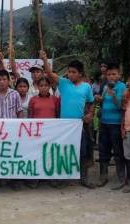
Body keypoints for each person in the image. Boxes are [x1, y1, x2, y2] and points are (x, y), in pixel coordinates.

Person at [43, 50, 95, 189]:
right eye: (69, 71)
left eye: (73, 72)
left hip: (79, 125)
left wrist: (90, 114)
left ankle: (83, 178)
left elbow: (91, 103)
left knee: (82, 151)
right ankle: (62, 178)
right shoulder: (64, 83)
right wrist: (44, 60)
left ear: (80, 74)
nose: (70, 74)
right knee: (63, 151)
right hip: (64, 126)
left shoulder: (86, 87)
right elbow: (49, 74)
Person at [96, 63, 127, 190]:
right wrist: (99, 99)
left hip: (116, 124)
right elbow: (103, 101)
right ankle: (103, 176)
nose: (111, 76)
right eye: (109, 74)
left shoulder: (122, 86)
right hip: (104, 122)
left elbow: (120, 106)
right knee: (103, 150)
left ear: (119, 75)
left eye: (114, 74)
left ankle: (121, 178)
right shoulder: (104, 86)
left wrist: (113, 94)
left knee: (118, 151)